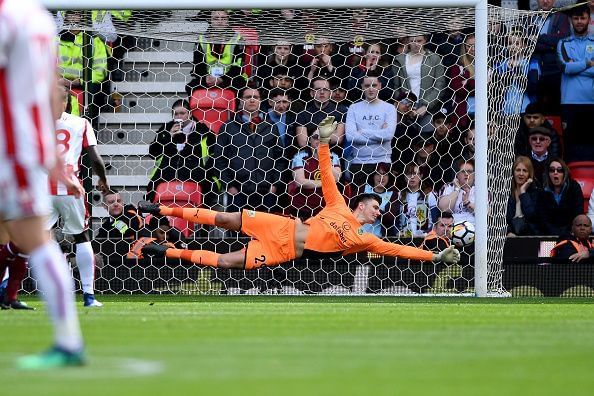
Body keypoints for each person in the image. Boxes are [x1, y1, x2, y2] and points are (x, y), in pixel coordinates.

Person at [138, 116, 461, 270]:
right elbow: (327, 178)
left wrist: (433, 255)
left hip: (284, 251)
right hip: (282, 227)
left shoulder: (366, 239)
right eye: (374, 206)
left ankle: (164, 251)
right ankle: (160, 210)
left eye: (378, 209)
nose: (378, 211)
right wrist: (322, 141)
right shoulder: (338, 206)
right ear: (361, 205)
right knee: (223, 217)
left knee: (225, 262)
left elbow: (397, 250)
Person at [0, 0, 85, 368]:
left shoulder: (7, 18)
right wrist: (51, 156)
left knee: (35, 239)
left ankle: (68, 342)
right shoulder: (39, 18)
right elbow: (53, 89)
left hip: (10, 147)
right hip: (23, 146)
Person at [46, 86, 109, 307]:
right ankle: (89, 296)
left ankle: (52, 291)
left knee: (38, 239)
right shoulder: (80, 122)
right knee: (81, 237)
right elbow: (95, 158)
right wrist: (103, 180)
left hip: (41, 188)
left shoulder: (36, 122)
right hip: (71, 188)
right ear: (68, 102)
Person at [213, 87, 287, 213]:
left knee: (264, 230)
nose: (252, 100)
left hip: (266, 192)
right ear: (241, 101)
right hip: (238, 192)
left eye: (256, 97)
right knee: (238, 231)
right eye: (248, 97)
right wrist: (229, 186)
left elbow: (280, 158)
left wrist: (274, 185)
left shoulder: (271, 127)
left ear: (260, 101)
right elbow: (219, 159)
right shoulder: (228, 127)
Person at [146, 99, 215, 204]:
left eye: (182, 113)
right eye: (176, 114)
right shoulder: (165, 130)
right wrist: (169, 136)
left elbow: (216, 154)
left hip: (196, 177)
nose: (179, 117)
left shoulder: (203, 131)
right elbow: (153, 153)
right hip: (166, 175)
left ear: (190, 114)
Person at [345, 73, 397, 188]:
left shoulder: (389, 108)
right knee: (359, 203)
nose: (371, 89)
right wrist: (380, 136)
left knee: (381, 203)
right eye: (367, 85)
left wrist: (363, 131)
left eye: (374, 85)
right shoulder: (354, 108)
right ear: (362, 87)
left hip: (382, 162)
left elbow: (388, 135)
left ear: (380, 86)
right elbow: (350, 136)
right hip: (359, 162)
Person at [557, 4, 594, 161]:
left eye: (582, 18)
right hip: (569, 102)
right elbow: (565, 67)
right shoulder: (563, 43)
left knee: (591, 144)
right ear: (571, 20)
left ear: (589, 19)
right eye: (576, 18)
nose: (579, 21)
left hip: (591, 102)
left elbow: (571, 67)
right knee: (570, 145)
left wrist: (575, 66)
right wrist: (588, 63)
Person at [392, 35, 446, 132]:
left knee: (425, 141)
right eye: (412, 41)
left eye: (419, 41)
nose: (416, 44)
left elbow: (440, 85)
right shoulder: (399, 59)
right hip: (405, 109)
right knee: (405, 141)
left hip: (428, 109)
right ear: (407, 41)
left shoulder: (434, 59)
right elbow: (396, 86)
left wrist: (426, 105)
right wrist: (402, 106)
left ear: (425, 40)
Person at [185, 10, 245, 96]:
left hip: (230, 78)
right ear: (210, 20)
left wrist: (222, 79)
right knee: (190, 87)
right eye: (216, 18)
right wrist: (206, 78)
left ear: (228, 21)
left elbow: (238, 65)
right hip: (206, 77)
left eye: (223, 18)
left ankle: (233, 109)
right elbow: (197, 65)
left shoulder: (237, 38)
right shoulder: (201, 39)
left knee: (241, 86)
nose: (220, 21)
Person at [288, 132, 342, 220]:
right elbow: (300, 182)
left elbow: (337, 177)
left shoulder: (333, 156)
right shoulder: (300, 156)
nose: (319, 140)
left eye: (323, 137)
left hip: (326, 208)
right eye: (316, 137)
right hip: (303, 208)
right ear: (309, 139)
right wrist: (326, 182)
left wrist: (323, 158)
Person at [530, 0, 571, 112]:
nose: (545, 1)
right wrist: (550, 44)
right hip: (532, 65)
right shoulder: (529, 16)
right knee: (534, 106)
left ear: (554, 1)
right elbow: (525, 41)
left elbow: (561, 40)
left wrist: (539, 38)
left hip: (554, 68)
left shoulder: (562, 17)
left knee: (554, 106)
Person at [295, 77, 347, 150]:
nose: (322, 92)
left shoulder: (341, 111)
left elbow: (338, 139)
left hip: (333, 157)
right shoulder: (303, 114)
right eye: (318, 89)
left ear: (330, 93)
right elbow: (303, 143)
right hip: (310, 157)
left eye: (325, 89)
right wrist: (329, 134)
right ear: (311, 93)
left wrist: (315, 135)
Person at [390, 163, 438, 238]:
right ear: (404, 176)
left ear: (421, 176)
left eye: (415, 174)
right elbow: (394, 219)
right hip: (404, 238)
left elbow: (435, 219)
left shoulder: (429, 195)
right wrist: (397, 232)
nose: (412, 177)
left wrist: (428, 233)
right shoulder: (399, 195)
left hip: (424, 237)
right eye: (409, 174)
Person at [539, 158, 584, 236]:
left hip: (570, 234)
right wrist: (555, 233)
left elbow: (578, 212)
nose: (555, 173)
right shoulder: (543, 191)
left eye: (559, 170)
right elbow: (543, 218)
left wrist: (566, 232)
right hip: (549, 235)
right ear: (548, 174)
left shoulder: (574, 187)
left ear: (564, 173)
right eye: (552, 170)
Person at [506, 156, 542, 236]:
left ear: (529, 174)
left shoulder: (536, 193)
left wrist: (523, 192)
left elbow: (532, 216)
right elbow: (501, 219)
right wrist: (508, 232)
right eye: (518, 170)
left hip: (530, 238)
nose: (521, 174)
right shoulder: (506, 193)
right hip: (510, 238)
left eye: (525, 171)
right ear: (513, 172)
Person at [447, 33, 475, 130]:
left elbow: (489, 90)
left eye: (475, 45)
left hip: (484, 113)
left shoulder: (488, 66)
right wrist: (475, 84)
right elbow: (459, 90)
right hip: (463, 114)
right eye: (469, 46)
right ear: (464, 47)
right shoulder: (458, 67)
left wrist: (467, 82)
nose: (473, 49)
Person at [438, 159, 476, 226]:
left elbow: (487, 213)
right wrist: (457, 189)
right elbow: (443, 209)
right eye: (463, 171)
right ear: (457, 175)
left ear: (474, 175)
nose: (466, 174)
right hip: (452, 229)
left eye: (469, 171)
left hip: (475, 229)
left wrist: (467, 203)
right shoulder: (448, 187)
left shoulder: (480, 190)